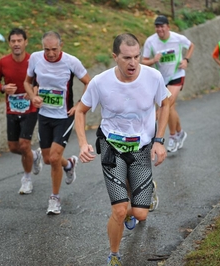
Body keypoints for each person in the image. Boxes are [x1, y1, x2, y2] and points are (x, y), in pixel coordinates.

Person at [74, 33, 170, 266]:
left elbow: (166, 103)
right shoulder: (100, 82)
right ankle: (114, 255)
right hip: (111, 147)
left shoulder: (153, 77)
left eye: (137, 57)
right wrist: (83, 143)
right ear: (115, 56)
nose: (133, 63)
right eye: (127, 57)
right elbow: (80, 111)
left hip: (141, 148)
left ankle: (138, 201)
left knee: (139, 214)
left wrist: (159, 140)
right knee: (119, 210)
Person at [23, 31, 90, 214]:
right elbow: (27, 82)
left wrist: (79, 105)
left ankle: (54, 198)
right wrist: (32, 97)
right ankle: (68, 165)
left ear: (61, 45)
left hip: (64, 117)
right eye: (47, 49)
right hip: (44, 115)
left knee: (53, 158)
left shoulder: (71, 61)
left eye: (54, 49)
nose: (50, 53)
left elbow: (88, 83)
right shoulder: (36, 58)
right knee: (47, 158)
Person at [0, 28, 42, 195]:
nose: (16, 44)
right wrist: (3, 87)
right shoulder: (3, 62)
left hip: (30, 108)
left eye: (20, 40)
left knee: (24, 144)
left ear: (26, 42)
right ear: (9, 43)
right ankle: (33, 156)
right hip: (12, 109)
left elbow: (43, 80)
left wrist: (34, 91)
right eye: (13, 41)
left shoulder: (34, 61)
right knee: (13, 147)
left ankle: (26, 179)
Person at [142, 15, 194, 153]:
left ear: (168, 27)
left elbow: (191, 46)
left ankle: (172, 137)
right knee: (170, 107)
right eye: (157, 27)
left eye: (162, 26)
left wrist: (186, 60)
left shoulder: (177, 38)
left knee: (168, 102)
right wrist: (154, 60)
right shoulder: (151, 41)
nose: (159, 29)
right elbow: (143, 61)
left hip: (177, 75)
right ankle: (180, 132)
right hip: (161, 79)